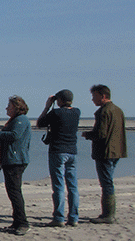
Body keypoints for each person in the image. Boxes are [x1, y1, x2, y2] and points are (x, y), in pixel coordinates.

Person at [83, 84, 127, 224]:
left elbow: (101, 134)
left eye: (94, 96)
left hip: (105, 151)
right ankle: (108, 213)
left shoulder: (103, 112)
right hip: (117, 150)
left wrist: (88, 134)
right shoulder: (118, 110)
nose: (92, 99)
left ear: (103, 96)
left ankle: (108, 214)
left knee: (106, 183)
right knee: (108, 181)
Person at [36, 89, 80, 227]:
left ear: (59, 100)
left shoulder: (56, 113)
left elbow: (40, 123)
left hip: (58, 151)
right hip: (72, 151)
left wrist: (48, 106)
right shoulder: (76, 112)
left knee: (59, 186)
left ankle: (59, 217)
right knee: (72, 186)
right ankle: (73, 217)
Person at [0, 95, 32, 236]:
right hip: (11, 160)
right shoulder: (15, 120)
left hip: (16, 160)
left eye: (9, 106)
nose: (6, 108)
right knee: (12, 192)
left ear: (16, 107)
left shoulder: (21, 120)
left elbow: (14, 135)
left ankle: (22, 223)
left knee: (15, 192)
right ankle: (17, 222)